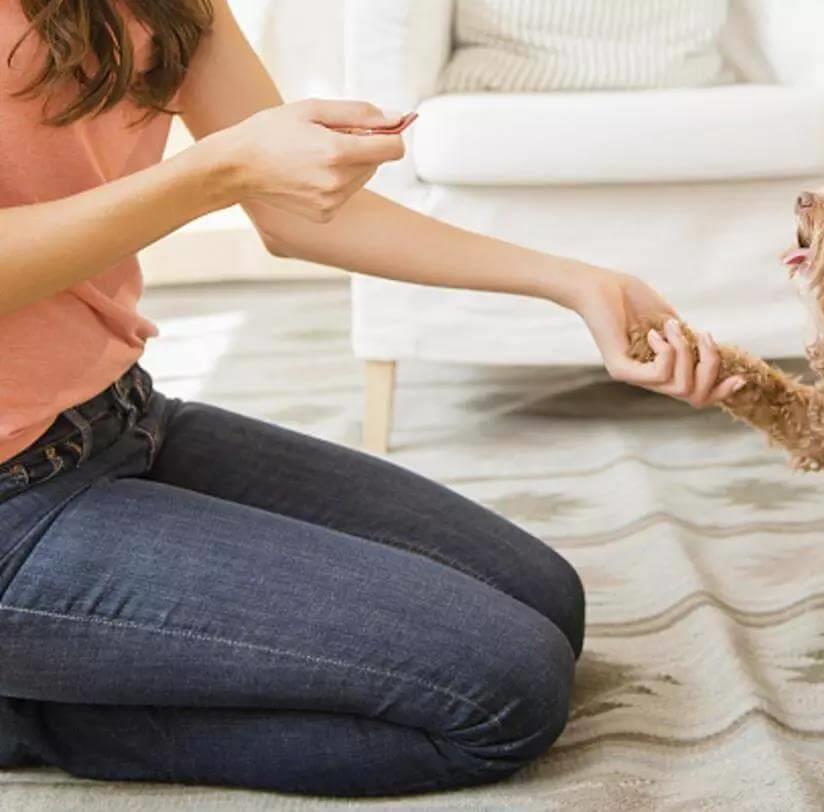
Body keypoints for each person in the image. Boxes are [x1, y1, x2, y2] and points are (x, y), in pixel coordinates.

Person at [0, 0, 730, 797]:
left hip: (118, 417)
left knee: (548, 601)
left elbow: (290, 212)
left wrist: (576, 282)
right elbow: (226, 173)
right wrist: (216, 172)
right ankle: (24, 716)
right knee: (501, 695)